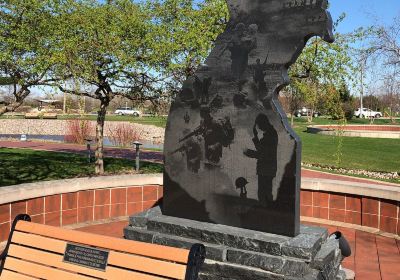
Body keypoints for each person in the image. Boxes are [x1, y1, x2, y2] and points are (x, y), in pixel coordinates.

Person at [243, 114, 278, 204]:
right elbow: (262, 150)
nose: (259, 127)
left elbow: (262, 152)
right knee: (265, 193)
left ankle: (266, 212)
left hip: (266, 169)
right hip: (267, 169)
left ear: (263, 123)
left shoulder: (270, 135)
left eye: (259, 125)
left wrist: (247, 152)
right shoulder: (269, 133)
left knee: (263, 194)